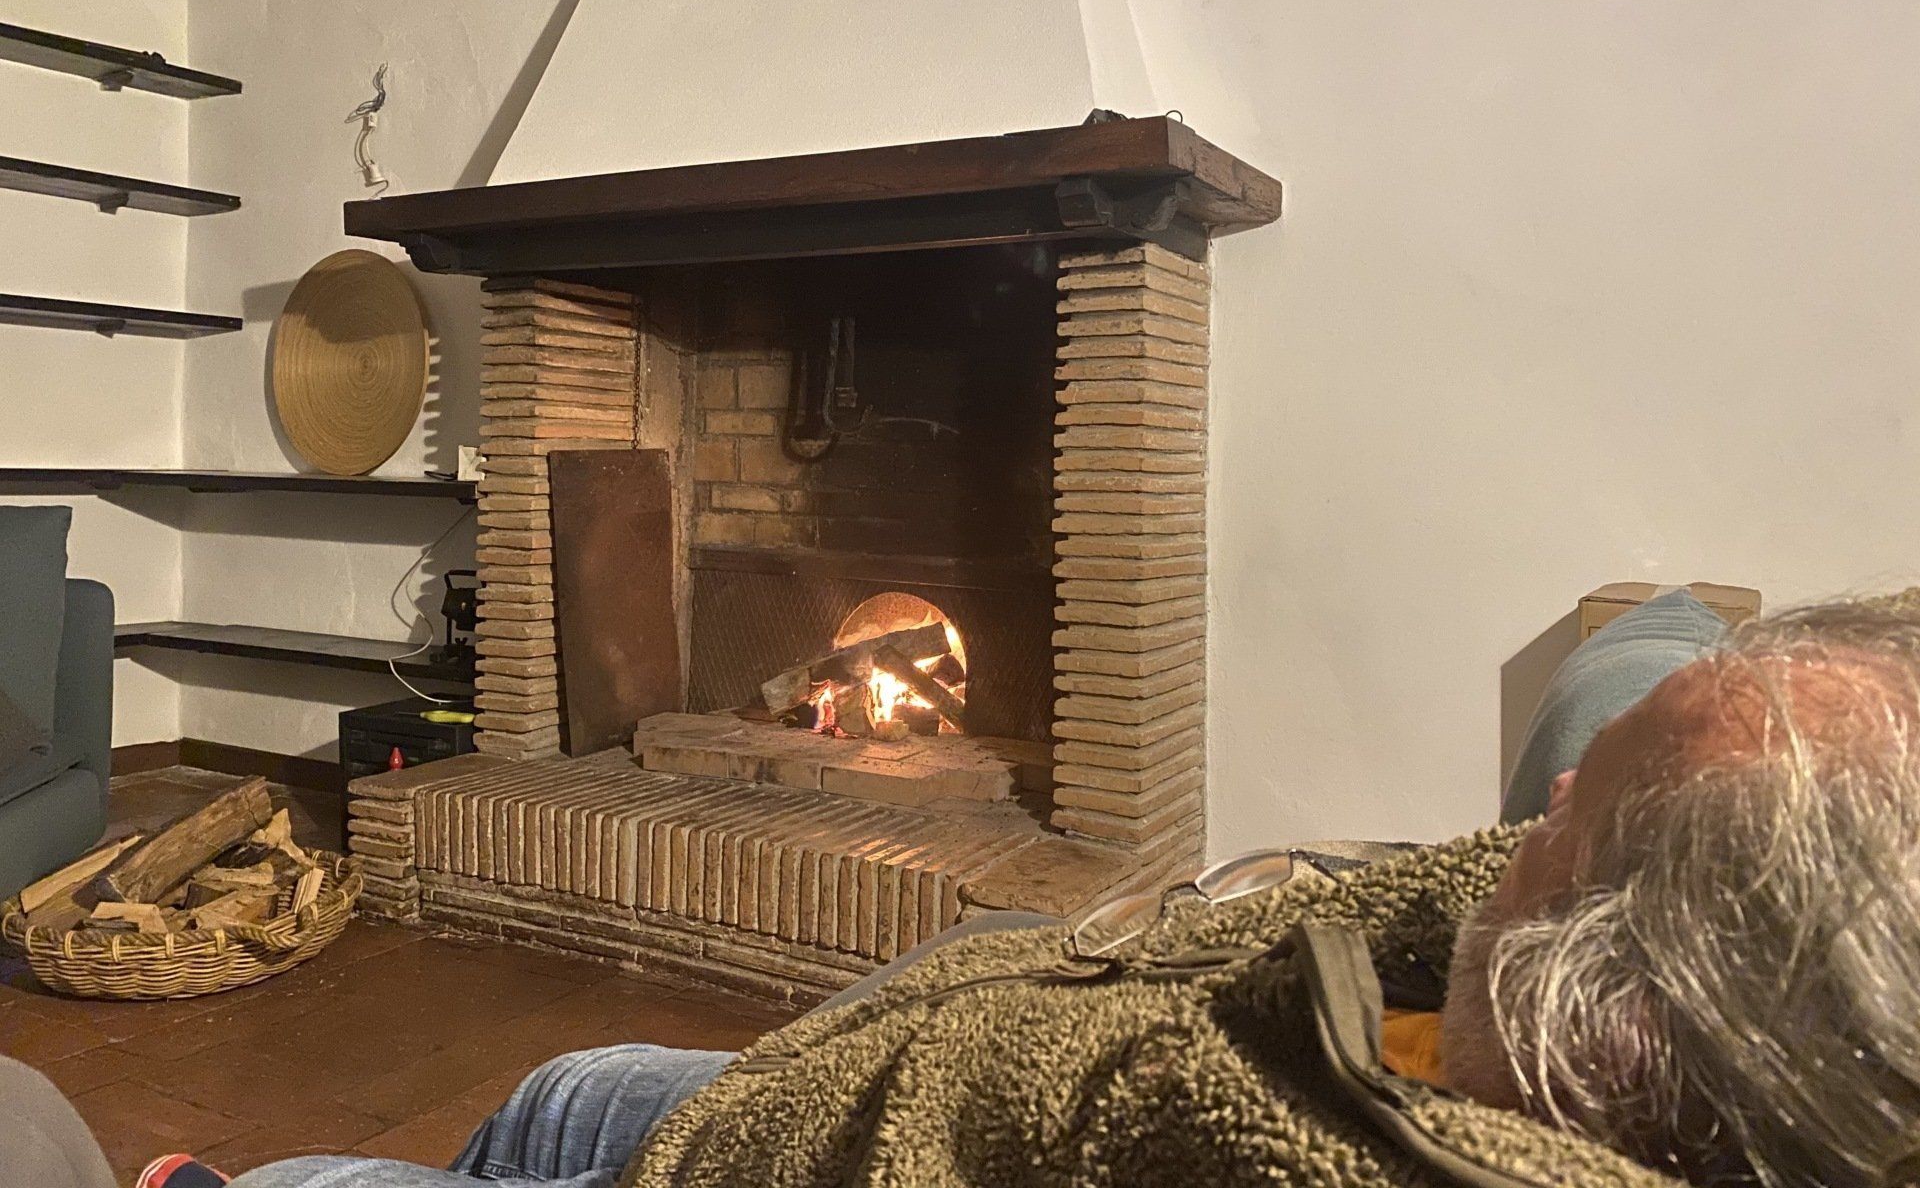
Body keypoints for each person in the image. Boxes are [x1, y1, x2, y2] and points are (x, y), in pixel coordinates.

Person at [10, 595, 1920, 1187]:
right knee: (566, 1086)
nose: (1546, 793)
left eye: (1590, 811)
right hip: (836, 1087)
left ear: (1621, 1010)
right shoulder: (1532, 1023)